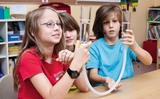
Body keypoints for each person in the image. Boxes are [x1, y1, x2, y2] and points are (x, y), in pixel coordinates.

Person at [13, 6, 91, 99]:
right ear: (33, 31)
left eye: (58, 24)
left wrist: (73, 64)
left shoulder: (58, 54)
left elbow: (84, 88)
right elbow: (51, 97)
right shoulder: (28, 57)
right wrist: (75, 64)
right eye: (49, 24)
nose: (57, 28)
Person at [86, 4, 152, 91]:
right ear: (101, 26)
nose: (111, 25)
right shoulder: (95, 47)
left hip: (126, 88)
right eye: (106, 22)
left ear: (121, 23)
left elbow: (149, 61)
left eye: (114, 21)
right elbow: (92, 76)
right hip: (103, 89)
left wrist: (134, 47)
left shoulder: (127, 43)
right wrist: (106, 79)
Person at [60, 12, 83, 93]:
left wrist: (75, 61)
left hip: (78, 93)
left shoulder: (81, 49)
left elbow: (84, 87)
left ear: (77, 31)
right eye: (64, 31)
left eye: (71, 30)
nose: (68, 35)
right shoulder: (55, 54)